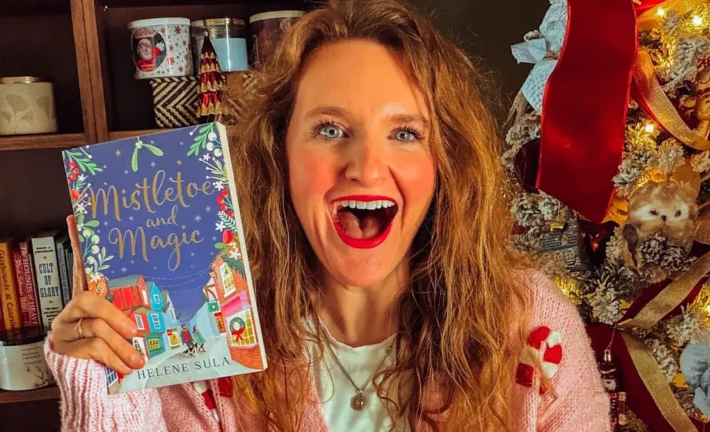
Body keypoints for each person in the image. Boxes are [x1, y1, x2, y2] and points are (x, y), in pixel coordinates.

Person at [44, 0, 610, 430]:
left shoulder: (531, 326)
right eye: (330, 129)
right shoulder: (207, 333)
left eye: (405, 133)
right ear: (280, 155)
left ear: (444, 164)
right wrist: (105, 378)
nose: (365, 168)